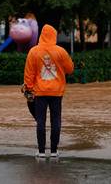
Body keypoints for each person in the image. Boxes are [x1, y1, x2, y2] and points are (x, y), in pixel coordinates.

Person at [24, 24, 74, 158]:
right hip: (57, 92)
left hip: (39, 92)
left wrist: (28, 89)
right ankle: (54, 151)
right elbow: (70, 69)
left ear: (41, 35)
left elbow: (29, 74)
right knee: (56, 120)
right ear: (54, 36)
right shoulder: (61, 51)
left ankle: (41, 152)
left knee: (41, 121)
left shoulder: (33, 51)